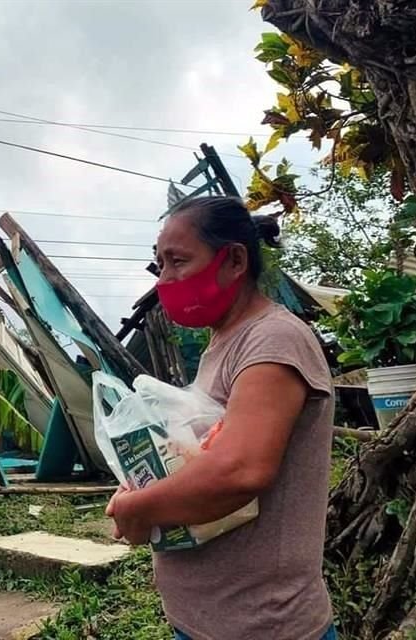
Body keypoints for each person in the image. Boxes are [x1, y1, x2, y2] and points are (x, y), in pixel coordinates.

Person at [105, 196, 336, 640]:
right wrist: (145, 481)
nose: (164, 280)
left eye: (178, 261)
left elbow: (239, 468)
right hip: (207, 621)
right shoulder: (225, 341)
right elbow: (205, 449)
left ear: (233, 261)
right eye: (160, 265)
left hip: (264, 626)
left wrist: (139, 508)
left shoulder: (273, 338)